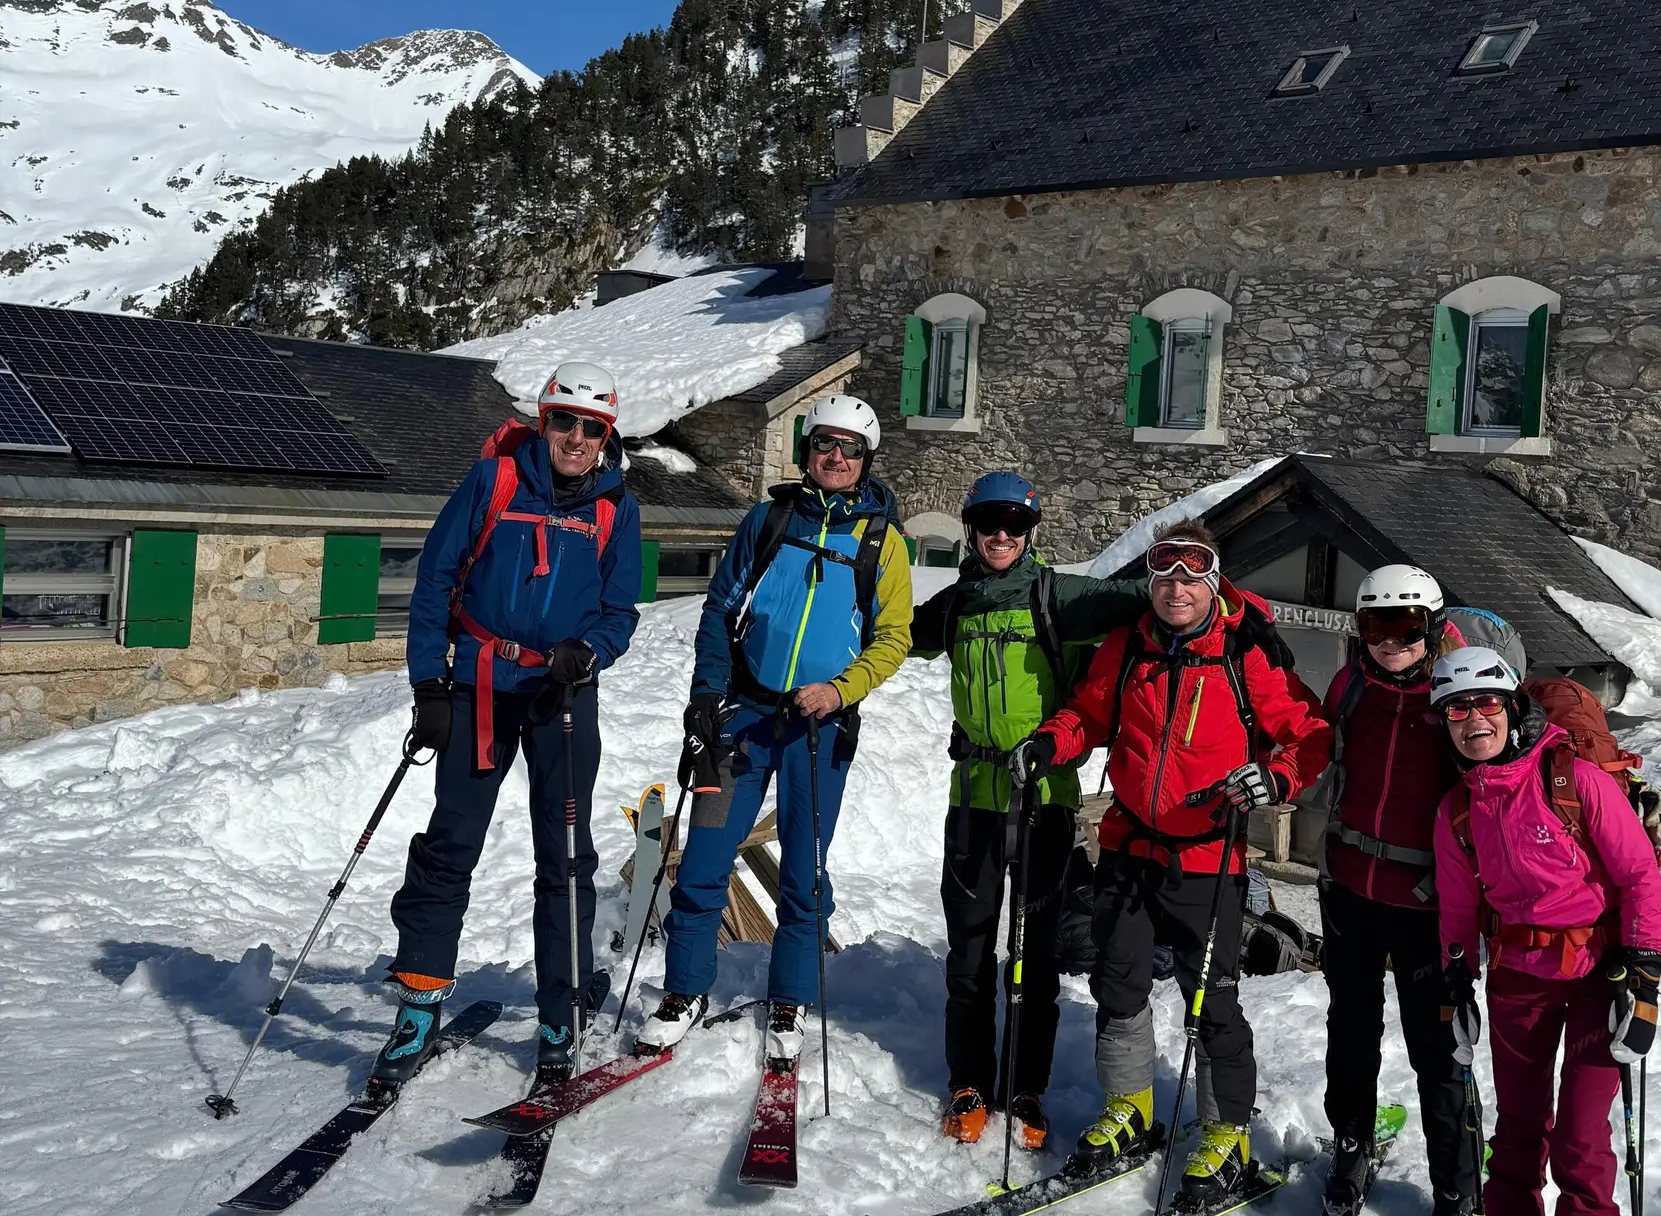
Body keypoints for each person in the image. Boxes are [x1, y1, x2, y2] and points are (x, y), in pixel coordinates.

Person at [1017, 519, 1334, 1212]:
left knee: (1210, 996)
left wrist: (1275, 779)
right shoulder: (1129, 644)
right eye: (1165, 576)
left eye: (1192, 576)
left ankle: (1227, 1135)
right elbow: (1089, 713)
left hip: (1208, 854)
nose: (1177, 589)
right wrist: (1051, 742)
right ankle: (1130, 1109)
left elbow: (1309, 734)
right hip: (1130, 848)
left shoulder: (1246, 650)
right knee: (1119, 982)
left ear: (1213, 581)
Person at [376, 362, 644, 1091]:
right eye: (565, 421)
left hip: (561, 694)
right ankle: (421, 1002)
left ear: (607, 435)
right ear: (542, 420)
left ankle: (560, 1014)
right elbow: (434, 580)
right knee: (450, 842)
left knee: (564, 855)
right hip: (481, 685)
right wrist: (430, 683)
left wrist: (589, 651)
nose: (578, 438)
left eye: (593, 427)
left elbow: (621, 613)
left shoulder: (617, 508)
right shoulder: (494, 482)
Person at [638, 394, 912, 1066]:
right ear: (808, 451)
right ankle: (685, 993)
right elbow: (720, 606)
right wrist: (707, 695)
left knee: (802, 871)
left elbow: (894, 639)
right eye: (825, 445)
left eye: (850, 449)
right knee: (703, 860)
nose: (836, 457)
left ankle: (789, 998)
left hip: (818, 730)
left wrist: (840, 690)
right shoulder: (769, 520)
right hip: (746, 718)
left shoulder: (883, 542)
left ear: (866, 460)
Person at [1431, 645, 1661, 1216]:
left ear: (1512, 708)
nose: (1473, 720)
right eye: (1456, 709)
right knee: (1517, 1132)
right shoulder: (1459, 811)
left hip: (1599, 974)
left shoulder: (1573, 780)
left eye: (1485, 704)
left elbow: (1637, 877)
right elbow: (1455, 910)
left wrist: (1643, 977)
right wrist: (1453, 980)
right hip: (1517, 976)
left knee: (1580, 1139)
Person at [908, 471, 1150, 1151]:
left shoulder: (1059, 597)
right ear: (971, 529)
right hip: (974, 802)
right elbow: (890, 633)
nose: (1003, 535)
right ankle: (969, 1082)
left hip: (1044, 801)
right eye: (990, 523)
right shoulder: (956, 604)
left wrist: (1215, 589)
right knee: (970, 953)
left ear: (1032, 532)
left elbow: (1148, 599)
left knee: (1034, 954)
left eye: (1016, 524)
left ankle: (1025, 1086)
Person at [1317, 565, 1480, 1216]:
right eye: (1377, 626)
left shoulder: (1458, 698)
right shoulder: (1350, 687)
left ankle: (1454, 1192)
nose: (1391, 641)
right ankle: (1350, 1149)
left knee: (1437, 1055)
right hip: (1351, 886)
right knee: (1349, 1035)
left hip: (1427, 906)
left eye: (1406, 627)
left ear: (1433, 628)